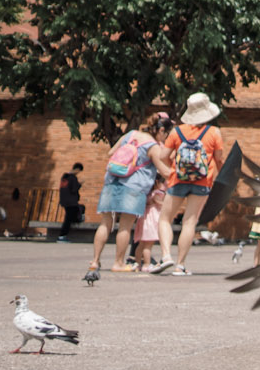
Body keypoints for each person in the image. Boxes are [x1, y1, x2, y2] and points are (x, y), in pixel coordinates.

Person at [152, 93, 226, 276]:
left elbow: (163, 156)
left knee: (165, 219)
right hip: (202, 182)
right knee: (189, 222)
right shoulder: (214, 132)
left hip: (178, 180)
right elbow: (219, 160)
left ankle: (166, 256)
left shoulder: (177, 131)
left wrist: (173, 168)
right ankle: (180, 265)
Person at [92, 113, 165, 274]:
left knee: (105, 223)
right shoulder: (153, 146)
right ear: (160, 131)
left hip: (112, 182)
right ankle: (118, 263)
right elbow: (163, 169)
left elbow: (111, 153)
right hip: (134, 187)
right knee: (125, 225)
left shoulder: (130, 134)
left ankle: (95, 261)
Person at [57, 162, 86, 240]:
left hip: (64, 200)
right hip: (71, 202)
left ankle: (63, 234)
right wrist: (79, 184)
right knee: (69, 219)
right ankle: (62, 235)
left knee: (71, 216)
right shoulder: (73, 178)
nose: (78, 173)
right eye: (79, 171)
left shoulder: (65, 177)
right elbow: (74, 189)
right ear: (77, 169)